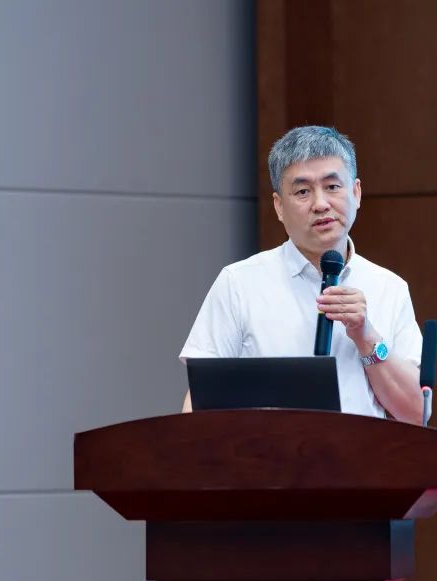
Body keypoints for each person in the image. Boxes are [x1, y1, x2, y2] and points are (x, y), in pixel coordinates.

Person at [179, 125, 424, 424]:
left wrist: (366, 336)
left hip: (360, 454)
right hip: (266, 453)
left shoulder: (389, 288)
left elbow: (416, 414)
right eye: (303, 191)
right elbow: (201, 400)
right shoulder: (239, 283)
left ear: (356, 193)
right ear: (279, 206)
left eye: (332, 186)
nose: (320, 204)